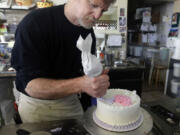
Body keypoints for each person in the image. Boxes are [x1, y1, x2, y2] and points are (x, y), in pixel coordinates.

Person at [11, 0, 115, 123]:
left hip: (72, 101)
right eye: (94, 5)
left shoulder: (87, 30)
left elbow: (83, 71)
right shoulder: (35, 24)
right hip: (38, 108)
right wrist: (82, 84)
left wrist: (95, 76)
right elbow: (30, 86)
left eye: (103, 10)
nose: (97, 15)